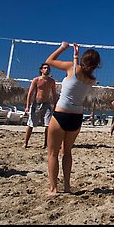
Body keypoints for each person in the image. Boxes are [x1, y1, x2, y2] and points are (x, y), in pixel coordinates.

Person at [45, 41, 101, 196]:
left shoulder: (72, 67)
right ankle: (67, 187)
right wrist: (76, 56)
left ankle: (53, 188)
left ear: (83, 60)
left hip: (61, 114)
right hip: (76, 118)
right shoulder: (92, 80)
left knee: (53, 153)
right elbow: (79, 75)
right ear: (96, 64)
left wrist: (63, 48)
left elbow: (49, 61)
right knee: (67, 152)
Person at [24, 63, 58, 149]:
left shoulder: (51, 81)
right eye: (45, 68)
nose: (47, 70)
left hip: (47, 104)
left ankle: (46, 144)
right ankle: (25, 142)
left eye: (48, 68)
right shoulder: (36, 80)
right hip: (36, 103)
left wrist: (55, 105)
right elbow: (30, 93)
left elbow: (54, 94)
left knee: (48, 125)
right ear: (41, 70)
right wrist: (27, 106)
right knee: (31, 124)